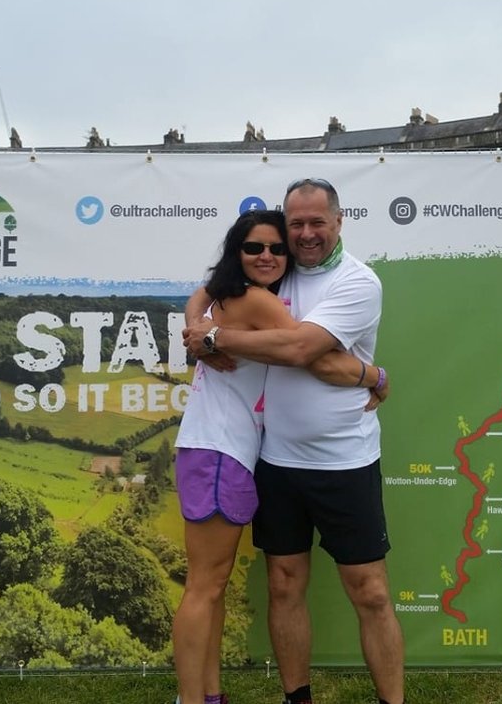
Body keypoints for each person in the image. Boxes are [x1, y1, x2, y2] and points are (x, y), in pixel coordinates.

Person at [184, 178, 404, 704]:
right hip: (274, 462)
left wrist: (212, 338)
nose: (304, 235)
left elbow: (306, 350)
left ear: (339, 221)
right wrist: (196, 322)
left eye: (316, 223)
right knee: (283, 584)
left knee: (370, 591)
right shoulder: (273, 277)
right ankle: (295, 698)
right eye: (295, 225)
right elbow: (212, 287)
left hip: (346, 461)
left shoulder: (359, 282)